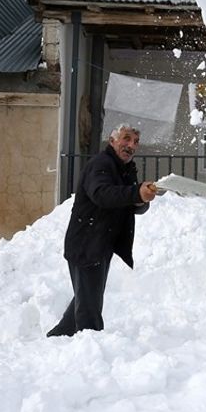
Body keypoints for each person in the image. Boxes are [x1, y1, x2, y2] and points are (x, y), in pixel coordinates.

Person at [47, 124, 158, 336]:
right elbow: (102, 194)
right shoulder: (101, 165)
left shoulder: (124, 168)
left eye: (135, 142)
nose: (131, 145)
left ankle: (60, 335)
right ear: (112, 140)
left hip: (100, 243)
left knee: (87, 295)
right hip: (87, 243)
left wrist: (141, 199)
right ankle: (92, 349)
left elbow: (128, 201)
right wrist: (136, 193)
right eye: (126, 138)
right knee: (90, 306)